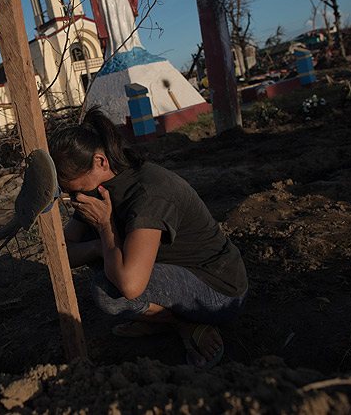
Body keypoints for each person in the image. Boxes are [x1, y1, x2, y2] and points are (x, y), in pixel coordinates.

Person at [49, 107, 248, 368]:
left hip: (218, 291)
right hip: (173, 274)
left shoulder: (148, 194)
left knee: (109, 291)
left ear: (100, 161)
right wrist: (101, 245)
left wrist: (107, 227)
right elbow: (63, 253)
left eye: (76, 190)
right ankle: (170, 319)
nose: (76, 199)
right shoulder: (98, 190)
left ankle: (184, 324)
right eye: (69, 194)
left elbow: (130, 286)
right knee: (106, 254)